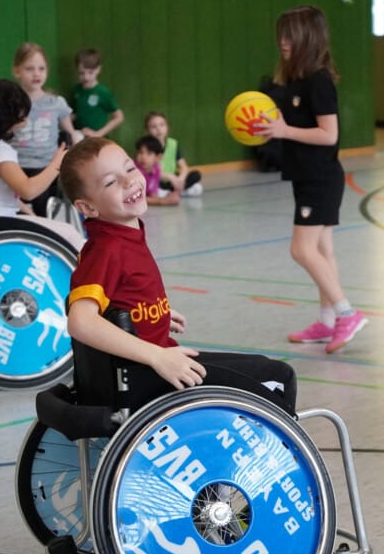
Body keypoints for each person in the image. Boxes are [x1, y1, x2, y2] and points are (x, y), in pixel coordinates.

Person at [60, 136, 297, 415]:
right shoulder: (107, 247)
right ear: (88, 208)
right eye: (111, 182)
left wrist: (148, 314)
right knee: (277, 377)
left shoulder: (121, 235)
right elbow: (81, 321)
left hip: (153, 363)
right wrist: (157, 355)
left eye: (130, 168)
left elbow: (119, 296)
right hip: (150, 375)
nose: (128, 181)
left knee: (261, 367)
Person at [255, 5, 366, 354]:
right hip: (305, 176)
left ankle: (347, 313)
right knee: (322, 250)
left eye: (290, 36)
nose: (283, 42)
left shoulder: (319, 80)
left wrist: (284, 129)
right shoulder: (294, 80)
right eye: (280, 36)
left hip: (321, 178)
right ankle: (327, 321)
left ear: (307, 38)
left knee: (301, 249)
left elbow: (328, 134)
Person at [0, 79, 83, 249]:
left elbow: (5, 197)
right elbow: (28, 190)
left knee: (57, 229)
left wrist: (32, 216)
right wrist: (58, 162)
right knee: (70, 234)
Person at [10, 42, 77, 216]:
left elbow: (70, 134)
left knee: (44, 207)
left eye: (41, 68)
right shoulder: (10, 103)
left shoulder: (56, 103)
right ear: (17, 71)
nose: (36, 73)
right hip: (16, 167)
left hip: (47, 167)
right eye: (30, 69)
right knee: (16, 211)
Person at [144, 111, 202, 196]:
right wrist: (169, 177)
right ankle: (175, 192)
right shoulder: (146, 147)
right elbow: (148, 170)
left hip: (173, 182)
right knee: (151, 186)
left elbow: (183, 166)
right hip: (157, 181)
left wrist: (180, 179)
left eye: (162, 125)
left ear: (167, 127)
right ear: (148, 130)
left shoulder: (172, 144)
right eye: (153, 127)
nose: (158, 129)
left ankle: (173, 191)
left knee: (196, 177)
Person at [70, 48, 124, 139]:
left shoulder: (102, 92)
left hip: (98, 140)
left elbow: (119, 117)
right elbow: (76, 114)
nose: (86, 77)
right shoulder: (76, 90)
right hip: (81, 138)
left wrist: (99, 133)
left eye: (90, 73)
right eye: (81, 73)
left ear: (98, 69)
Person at [134, 135, 180, 206]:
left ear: (158, 157)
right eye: (140, 152)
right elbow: (136, 198)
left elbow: (153, 193)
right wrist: (161, 201)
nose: (143, 157)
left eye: (149, 153)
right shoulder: (134, 171)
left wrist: (168, 198)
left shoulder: (156, 169)